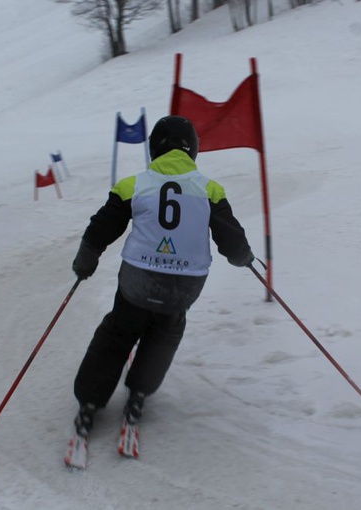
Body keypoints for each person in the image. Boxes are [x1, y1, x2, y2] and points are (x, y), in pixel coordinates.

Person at [71, 115, 254, 438]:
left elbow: (100, 229)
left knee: (118, 333)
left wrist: (85, 263)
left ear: (154, 148)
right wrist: (244, 258)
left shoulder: (133, 185)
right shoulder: (209, 189)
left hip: (137, 281)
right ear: (192, 150)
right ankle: (139, 394)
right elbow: (231, 238)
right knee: (165, 334)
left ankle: (90, 400)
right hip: (185, 286)